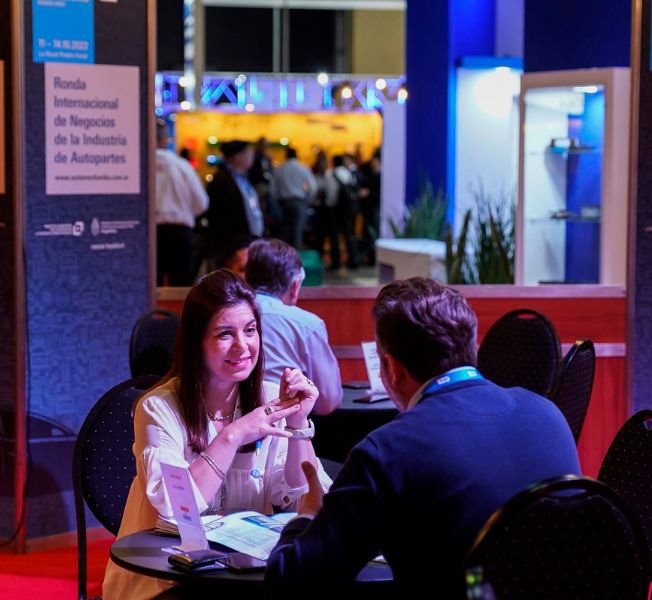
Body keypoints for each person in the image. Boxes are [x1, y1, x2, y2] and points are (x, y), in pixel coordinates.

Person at [263, 277, 581, 596]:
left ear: (390, 368)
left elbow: (292, 580)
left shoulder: (388, 451)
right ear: (471, 346)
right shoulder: (548, 412)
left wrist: (306, 516)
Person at [103, 270, 330, 600]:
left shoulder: (270, 398)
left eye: (250, 331)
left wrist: (297, 425)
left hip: (249, 575)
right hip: (169, 579)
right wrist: (234, 434)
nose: (242, 346)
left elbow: (303, 499)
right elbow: (179, 510)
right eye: (225, 334)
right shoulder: (157, 408)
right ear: (197, 342)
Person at [245, 239, 342, 415]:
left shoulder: (224, 317)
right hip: (286, 429)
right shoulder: (307, 325)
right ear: (295, 285)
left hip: (226, 425)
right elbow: (328, 401)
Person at [154, 119, 208, 286]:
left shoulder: (137, 165)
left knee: (152, 283)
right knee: (180, 285)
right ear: (162, 139)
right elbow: (202, 203)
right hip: (180, 232)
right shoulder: (181, 166)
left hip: (150, 233)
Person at [204, 140, 264, 268]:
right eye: (249, 154)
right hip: (231, 245)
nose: (252, 157)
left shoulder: (243, 178)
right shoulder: (222, 180)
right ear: (237, 156)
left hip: (245, 241)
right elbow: (219, 217)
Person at [273, 147, 317, 249]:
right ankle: (296, 257)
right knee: (298, 231)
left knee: (284, 231)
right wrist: (307, 199)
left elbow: (273, 190)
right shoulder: (303, 168)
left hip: (283, 203)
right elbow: (313, 186)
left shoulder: (279, 169)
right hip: (299, 202)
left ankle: (283, 257)